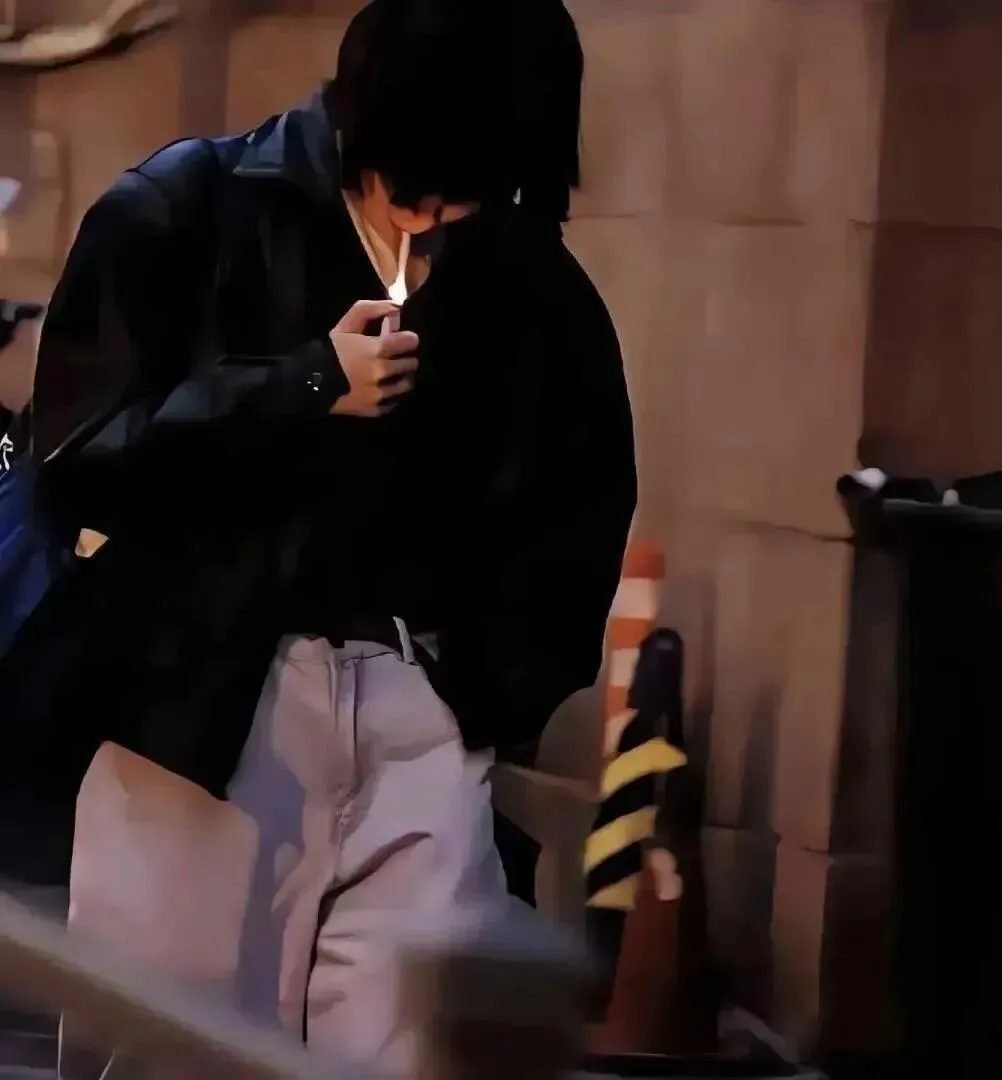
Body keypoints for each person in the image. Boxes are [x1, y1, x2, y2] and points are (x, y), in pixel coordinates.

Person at [0, 0, 636, 1069]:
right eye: (421, 183)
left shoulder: (525, 275)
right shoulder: (190, 206)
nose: (435, 215)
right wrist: (302, 385)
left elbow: (583, 497)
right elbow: (79, 457)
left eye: (475, 191)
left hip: (420, 705)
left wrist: (482, 696)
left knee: (415, 1048)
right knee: (169, 1043)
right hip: (195, 715)